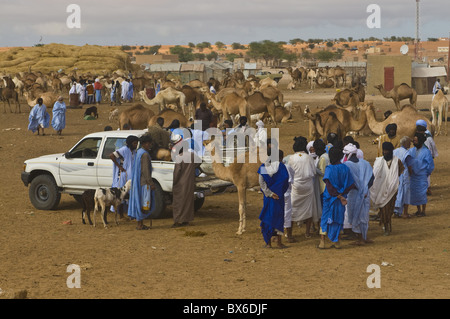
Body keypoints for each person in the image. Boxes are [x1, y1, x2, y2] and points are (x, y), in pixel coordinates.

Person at [319, 147, 355, 249]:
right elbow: (350, 184)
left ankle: (322, 241)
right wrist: (341, 195)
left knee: (325, 217)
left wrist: (337, 195)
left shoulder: (329, 169)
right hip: (341, 198)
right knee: (339, 218)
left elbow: (329, 186)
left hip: (330, 198)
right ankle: (337, 241)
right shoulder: (345, 168)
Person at [343, 143, 374, 245]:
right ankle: (363, 237)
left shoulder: (346, 166)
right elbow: (371, 179)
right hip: (365, 194)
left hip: (354, 195)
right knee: (363, 215)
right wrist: (364, 189)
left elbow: (348, 182)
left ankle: (361, 239)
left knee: (356, 215)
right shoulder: (366, 163)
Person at [258, 148, 290, 248]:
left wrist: (270, 193)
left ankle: (268, 243)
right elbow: (285, 181)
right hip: (278, 197)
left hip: (268, 198)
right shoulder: (281, 167)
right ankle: (279, 243)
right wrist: (278, 193)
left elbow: (261, 183)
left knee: (268, 217)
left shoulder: (263, 167)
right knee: (279, 217)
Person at [370, 142, 404, 235]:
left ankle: (387, 224)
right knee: (383, 208)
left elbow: (400, 171)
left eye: (387, 151)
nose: (385, 152)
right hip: (381, 189)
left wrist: (392, 180)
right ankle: (386, 225)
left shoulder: (397, 161)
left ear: (391, 151)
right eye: (384, 151)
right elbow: (375, 175)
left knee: (389, 208)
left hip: (392, 190)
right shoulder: (379, 161)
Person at [288, 136, 318, 238]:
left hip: (296, 187)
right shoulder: (309, 158)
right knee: (308, 209)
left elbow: (289, 173)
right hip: (308, 186)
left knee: (292, 209)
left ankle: (289, 234)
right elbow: (313, 172)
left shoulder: (291, 158)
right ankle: (307, 233)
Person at [171, 135, 201, 228]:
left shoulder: (179, 157)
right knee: (188, 202)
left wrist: (174, 183)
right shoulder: (192, 155)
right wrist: (193, 167)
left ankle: (177, 221)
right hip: (190, 182)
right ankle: (186, 220)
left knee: (178, 202)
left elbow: (177, 173)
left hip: (180, 183)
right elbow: (199, 161)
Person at [128, 134, 156, 230]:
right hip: (144, 183)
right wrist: (151, 183)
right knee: (144, 203)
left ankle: (140, 223)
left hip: (138, 181)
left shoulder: (139, 152)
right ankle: (140, 224)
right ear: (144, 143)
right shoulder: (144, 154)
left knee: (140, 202)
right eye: (148, 143)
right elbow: (145, 171)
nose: (150, 145)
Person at [110, 135, 139, 217]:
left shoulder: (133, 151)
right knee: (120, 195)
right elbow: (111, 155)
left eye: (136, 143)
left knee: (128, 194)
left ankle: (128, 213)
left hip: (129, 176)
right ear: (130, 143)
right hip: (122, 176)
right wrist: (119, 166)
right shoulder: (124, 150)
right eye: (134, 143)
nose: (136, 145)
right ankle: (120, 214)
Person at [409, 133, 434, 217]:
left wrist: (426, 173)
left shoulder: (426, 151)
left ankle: (423, 211)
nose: (414, 142)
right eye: (414, 140)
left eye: (416, 141)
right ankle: (418, 210)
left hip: (422, 175)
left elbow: (430, 165)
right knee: (415, 193)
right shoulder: (412, 150)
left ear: (420, 141)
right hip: (413, 176)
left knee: (422, 193)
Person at [415, 120, 438, 195]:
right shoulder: (428, 137)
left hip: (424, 157)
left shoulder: (423, 138)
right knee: (426, 174)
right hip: (427, 157)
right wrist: (434, 155)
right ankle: (427, 188)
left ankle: (426, 188)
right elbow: (433, 147)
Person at [393, 136, 413, 218]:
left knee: (396, 193)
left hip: (395, 175)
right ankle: (405, 213)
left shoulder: (394, 151)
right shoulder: (406, 153)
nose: (410, 144)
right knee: (406, 194)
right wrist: (411, 174)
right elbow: (409, 166)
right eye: (409, 142)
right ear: (405, 143)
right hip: (404, 175)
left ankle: (396, 212)